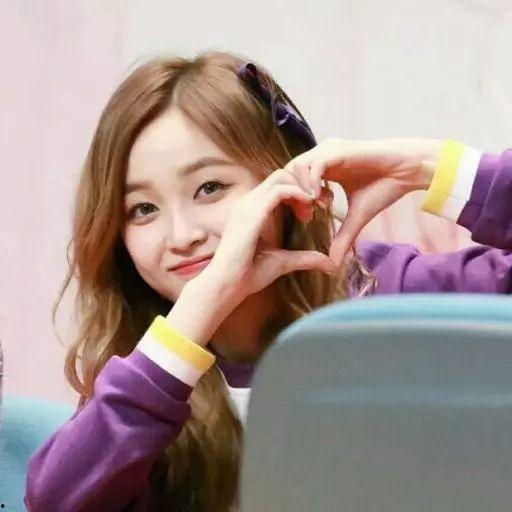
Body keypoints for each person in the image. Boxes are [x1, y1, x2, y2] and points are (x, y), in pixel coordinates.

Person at [24, 50, 512, 512]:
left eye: (210, 188)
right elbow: (56, 501)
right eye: (143, 209)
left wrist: (428, 166)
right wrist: (199, 310)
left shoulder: (381, 298)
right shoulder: (147, 369)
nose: (182, 235)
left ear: (286, 182)